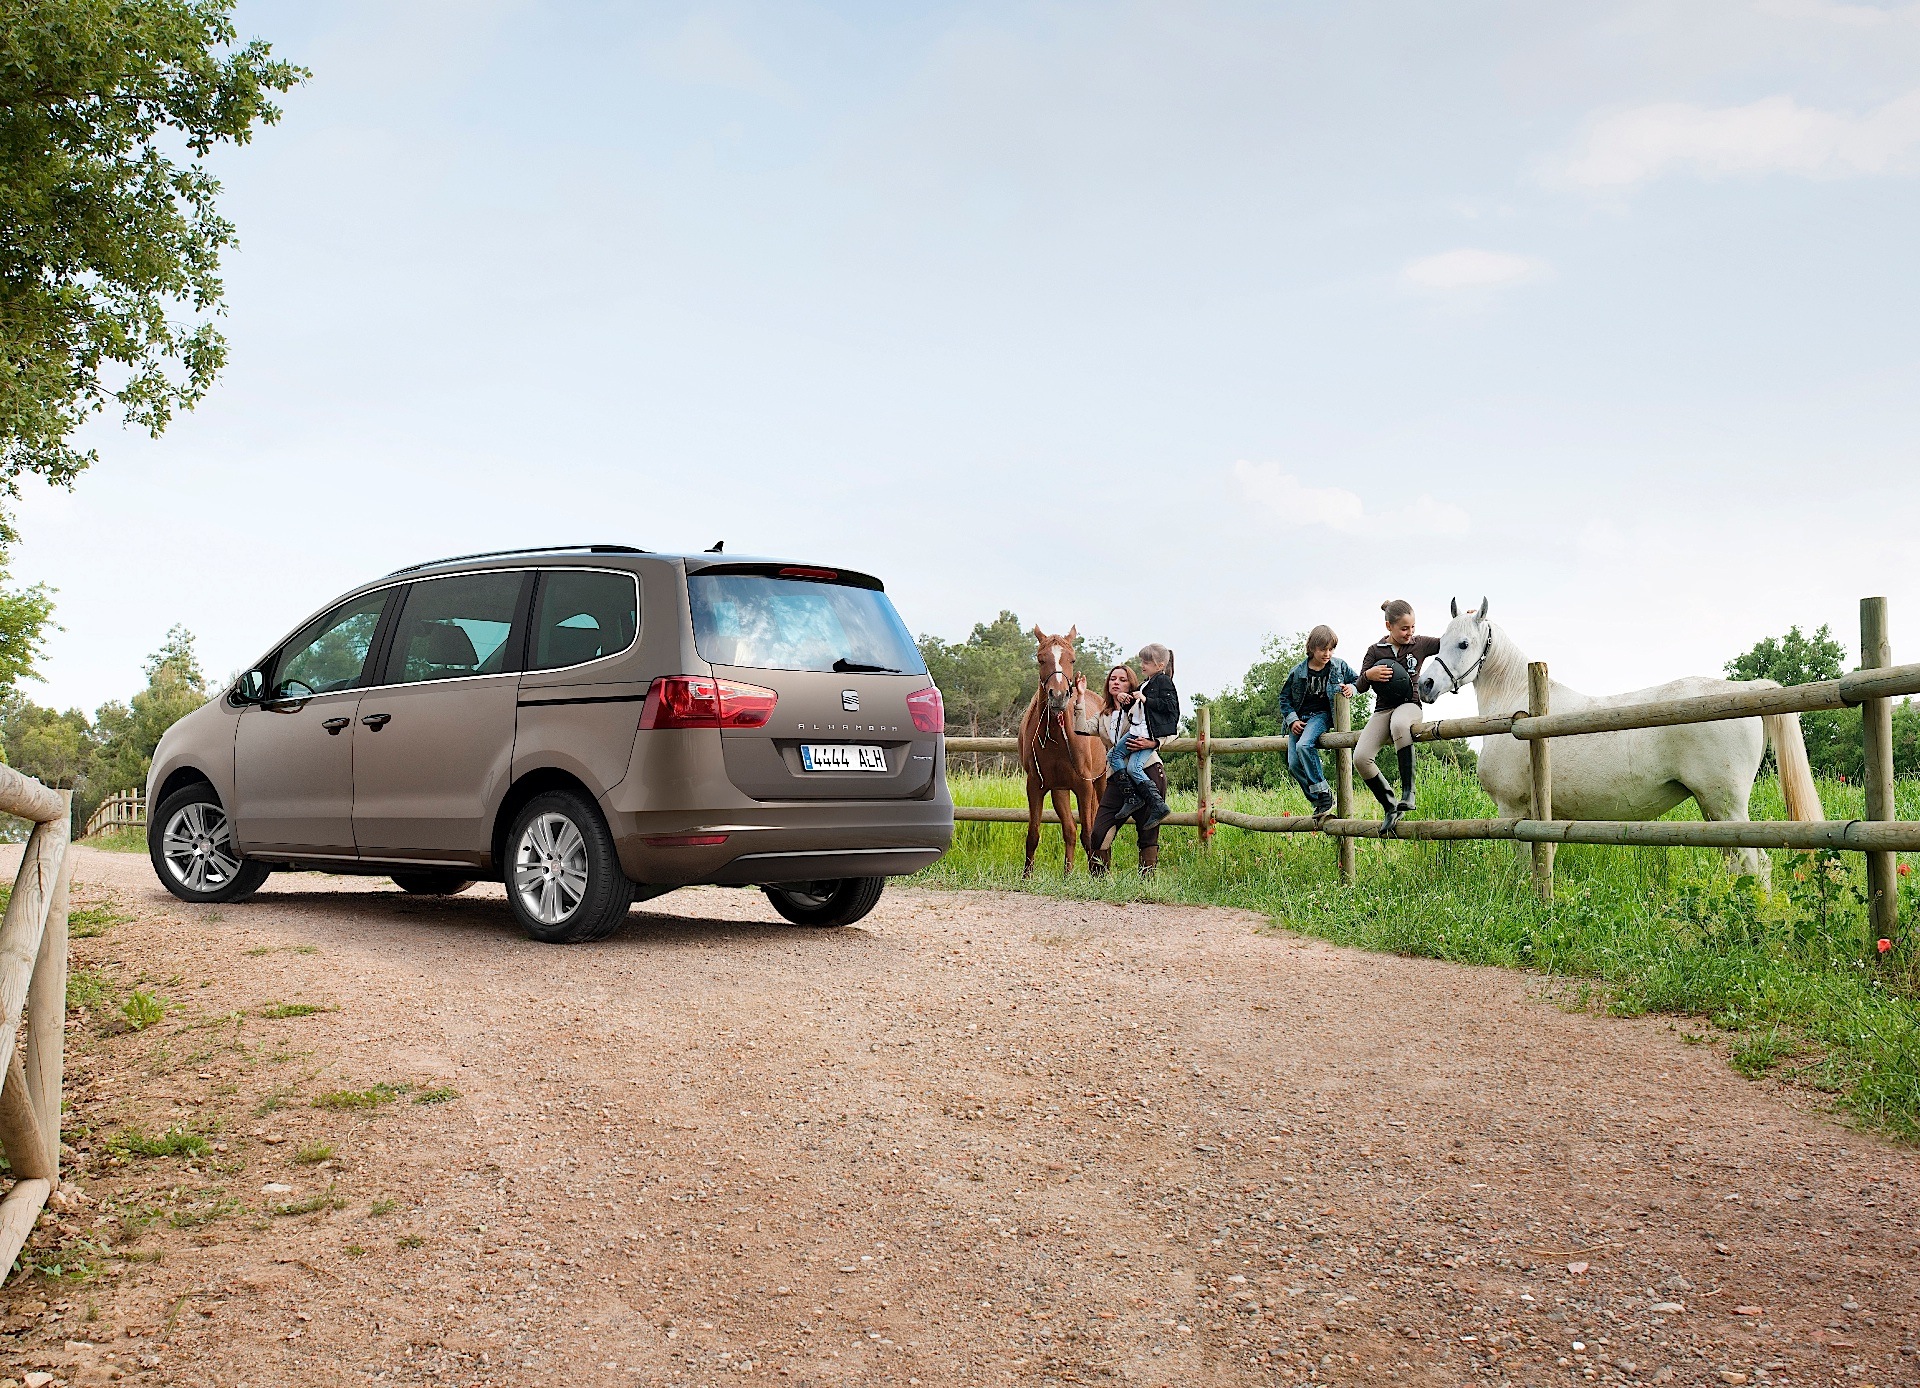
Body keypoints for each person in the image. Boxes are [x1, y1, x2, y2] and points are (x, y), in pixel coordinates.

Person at [1354, 599, 1439, 833]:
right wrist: (1369, 675)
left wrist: (1466, 619)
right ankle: (1390, 805)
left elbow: (1449, 643)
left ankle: (1408, 792)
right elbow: (1359, 685)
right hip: (1382, 709)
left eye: (1412, 627)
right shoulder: (1374, 651)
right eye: (1404, 628)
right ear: (1388, 626)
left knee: (1399, 724)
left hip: (1410, 705)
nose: (1409, 633)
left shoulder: (1419, 644)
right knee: (1360, 758)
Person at [1087, 665, 1172, 877]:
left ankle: (1147, 886)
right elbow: (1080, 728)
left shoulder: (1143, 705)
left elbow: (1172, 728)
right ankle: (1099, 885)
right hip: (1118, 779)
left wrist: (1152, 742)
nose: (1116, 682)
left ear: (1131, 684)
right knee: (1099, 832)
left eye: (1122, 679)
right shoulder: (1103, 715)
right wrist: (1079, 697)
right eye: (1112, 678)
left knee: (1147, 833)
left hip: (1148, 771)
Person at [1279, 625, 1358, 821]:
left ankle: (1323, 792)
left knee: (1304, 746)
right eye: (1323, 649)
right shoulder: (1298, 672)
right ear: (1312, 648)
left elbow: (1358, 680)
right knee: (1294, 764)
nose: (1327, 654)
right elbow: (1284, 698)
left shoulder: (1339, 666)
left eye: (1331, 649)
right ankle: (1319, 800)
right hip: (1300, 718)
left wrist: (1351, 688)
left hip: (1321, 716)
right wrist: (1292, 720)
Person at [1134, 644, 1179, 830]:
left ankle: (1157, 804)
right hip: (1141, 731)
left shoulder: (1163, 681)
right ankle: (1133, 798)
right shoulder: (1146, 683)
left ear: (1160, 665)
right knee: (1117, 757)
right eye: (1142, 661)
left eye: (1147, 662)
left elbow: (1170, 707)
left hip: (1151, 734)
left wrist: (1145, 699)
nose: (1142, 665)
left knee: (1134, 767)